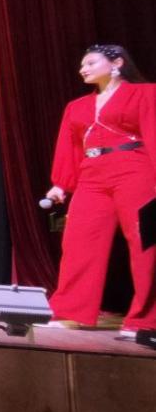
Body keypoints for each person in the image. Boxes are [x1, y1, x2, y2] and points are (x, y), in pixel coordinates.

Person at [45, 44, 156, 339]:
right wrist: (61, 183)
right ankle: (71, 312)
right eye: (82, 65)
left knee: (146, 243)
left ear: (117, 63)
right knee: (79, 241)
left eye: (91, 63)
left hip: (135, 168)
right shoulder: (77, 106)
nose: (83, 69)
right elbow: (70, 147)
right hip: (92, 175)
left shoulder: (145, 93)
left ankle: (145, 320)